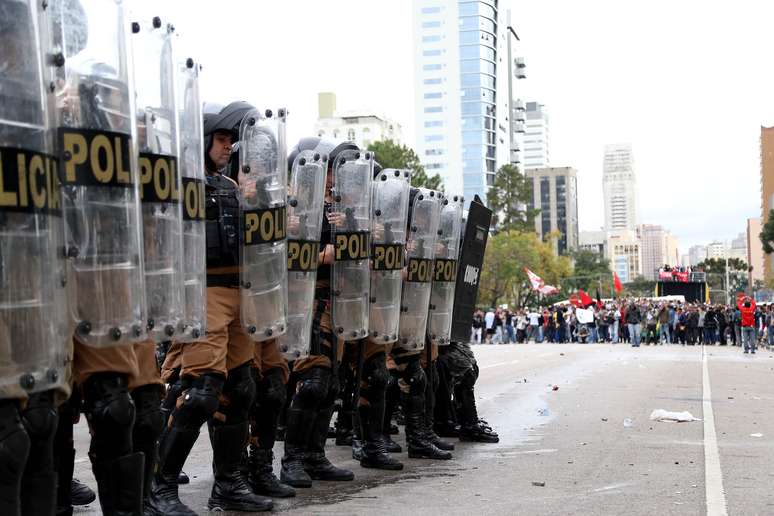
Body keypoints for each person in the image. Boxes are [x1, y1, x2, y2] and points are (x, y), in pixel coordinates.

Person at [147, 102, 274, 515]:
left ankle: (229, 484)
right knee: (200, 393)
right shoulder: (180, 183)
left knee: (241, 390)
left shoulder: (235, 187)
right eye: (221, 140)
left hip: (241, 292)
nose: (227, 148)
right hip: (203, 293)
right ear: (201, 140)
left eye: (230, 141)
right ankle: (160, 487)